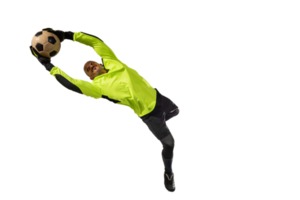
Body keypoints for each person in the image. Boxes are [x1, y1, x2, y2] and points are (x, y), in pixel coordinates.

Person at [29, 26, 180, 194]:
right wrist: (48, 65)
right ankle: (168, 173)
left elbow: (95, 41)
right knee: (169, 143)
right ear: (89, 78)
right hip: (148, 115)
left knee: (177, 112)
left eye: (92, 62)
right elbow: (70, 82)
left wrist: (67, 35)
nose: (90, 65)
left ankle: (169, 117)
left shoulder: (112, 60)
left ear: (100, 62)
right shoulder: (97, 88)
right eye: (87, 69)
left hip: (159, 97)